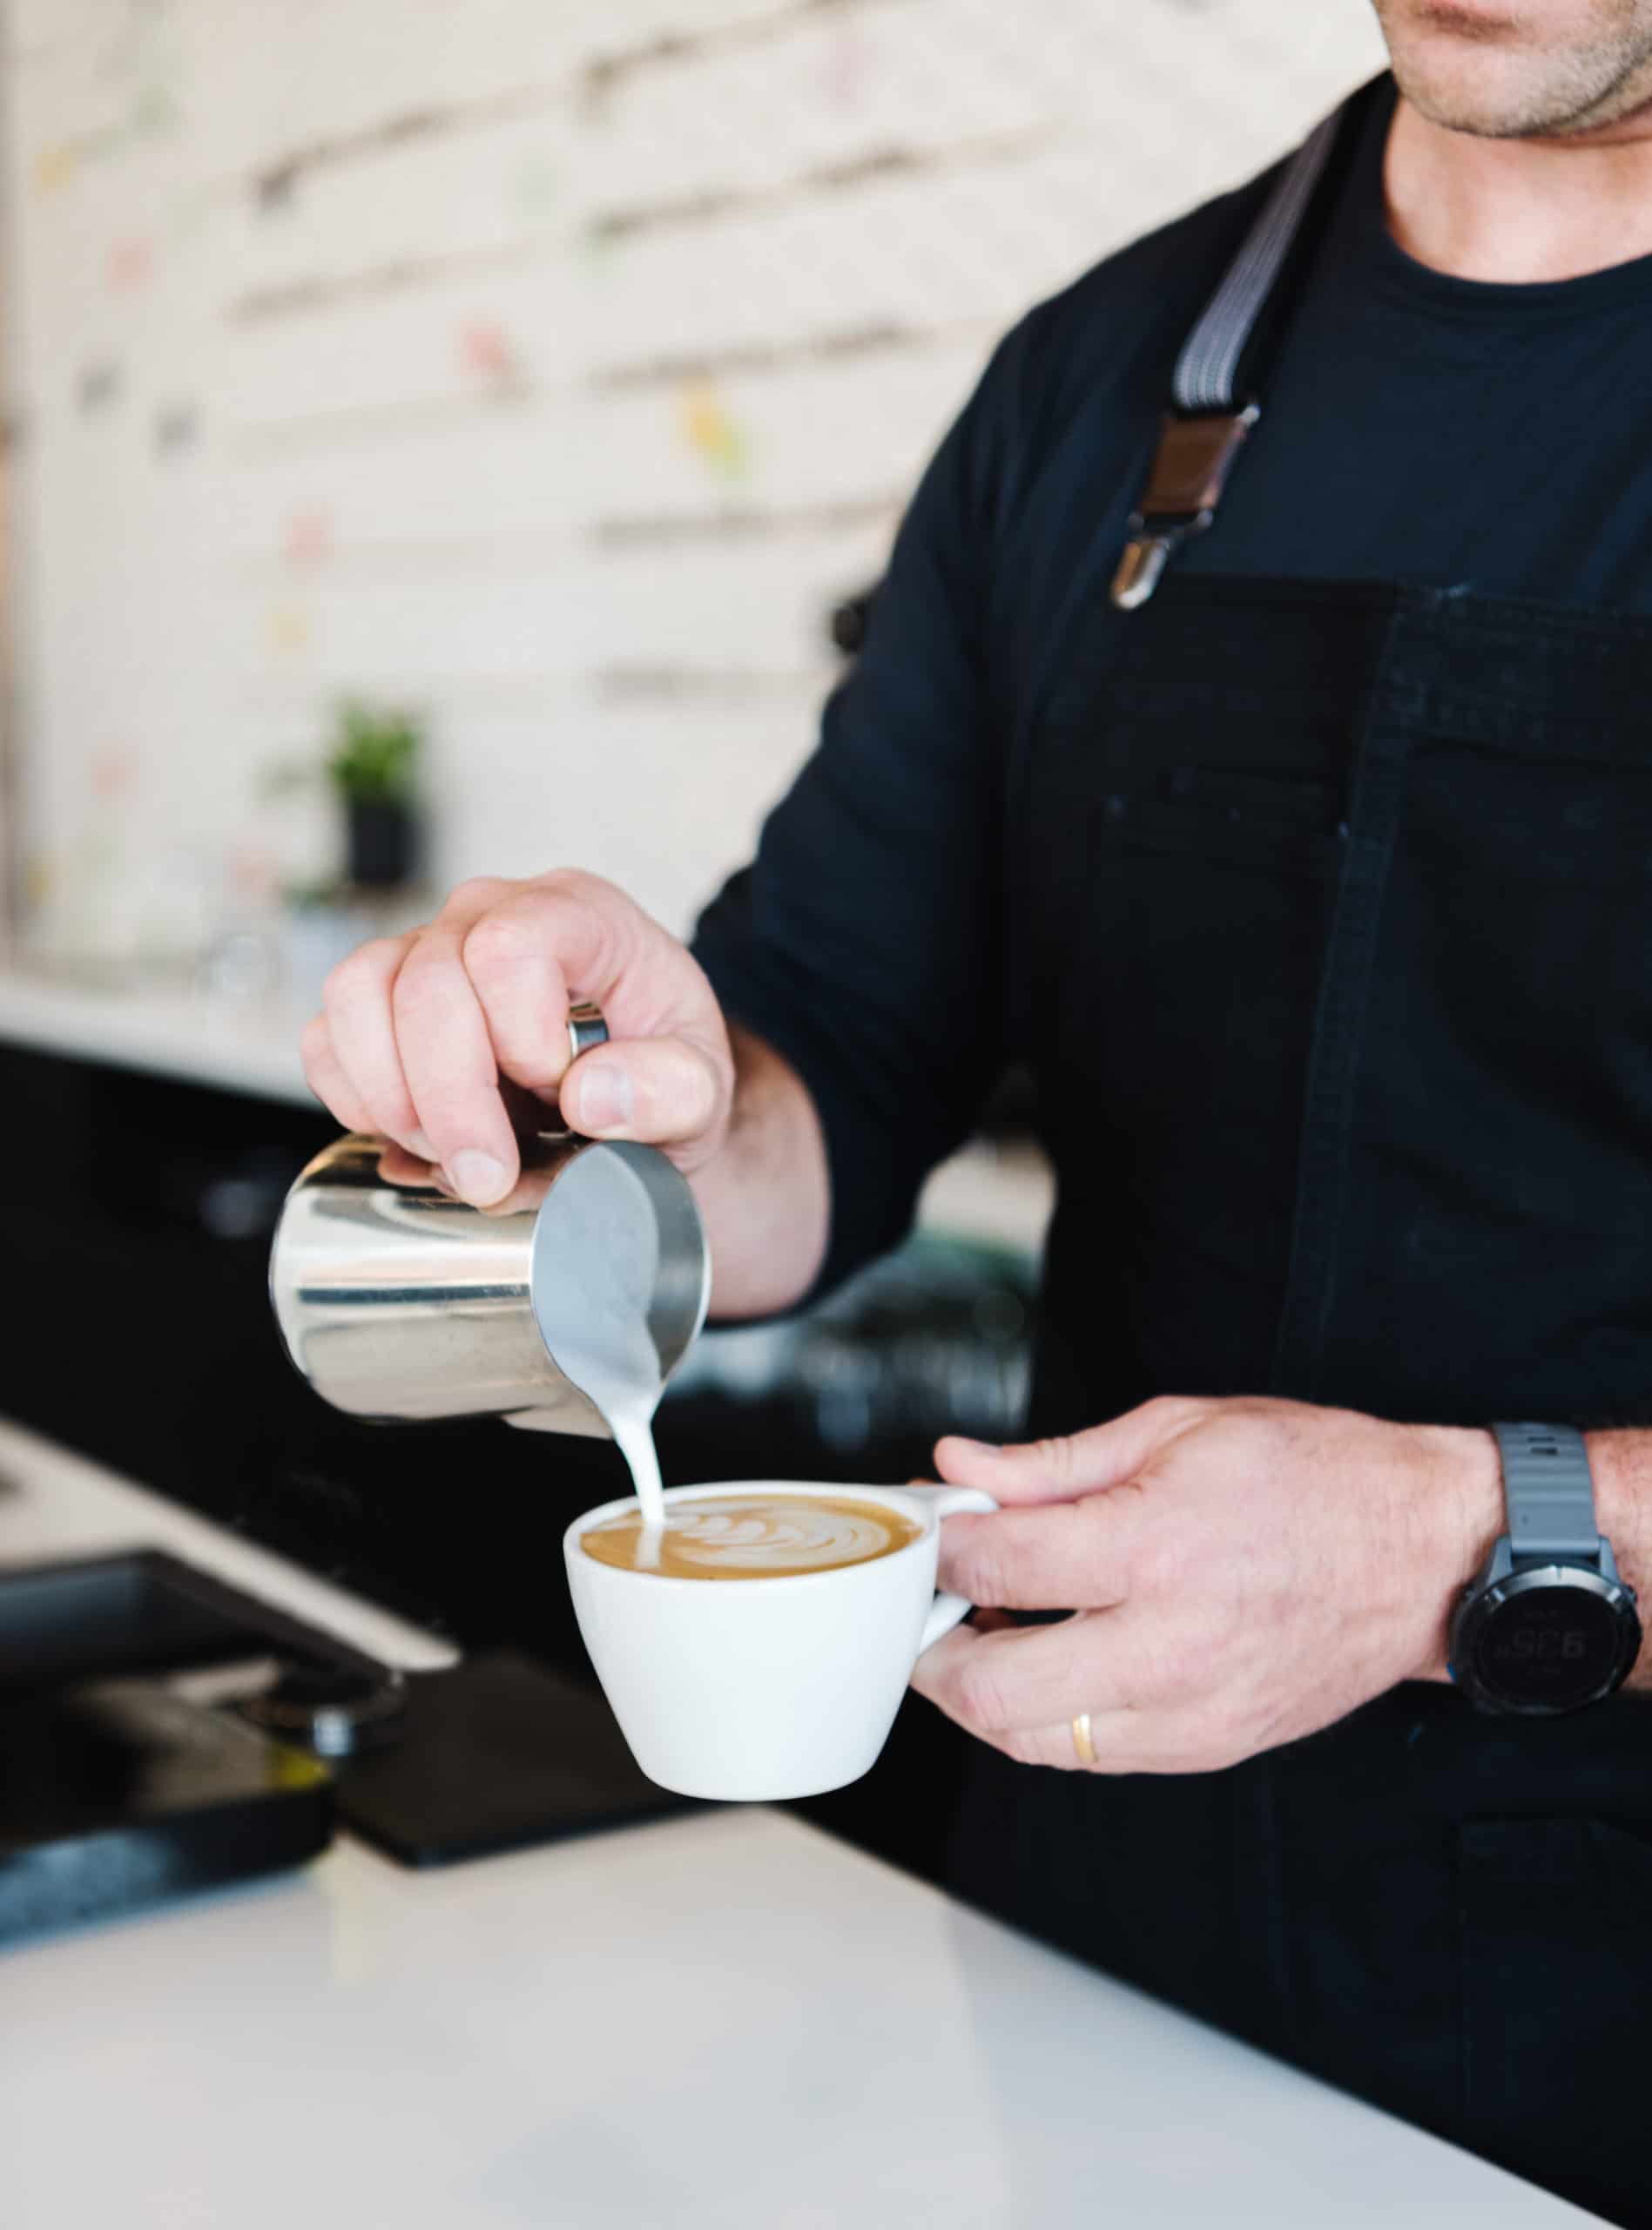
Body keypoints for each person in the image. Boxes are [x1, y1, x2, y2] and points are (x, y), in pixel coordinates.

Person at [303, 3, 1652, 2217]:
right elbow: (811, 1077)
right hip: (1099, 1960)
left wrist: (1465, 1545)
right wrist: (620, 1089)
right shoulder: (1107, 388)